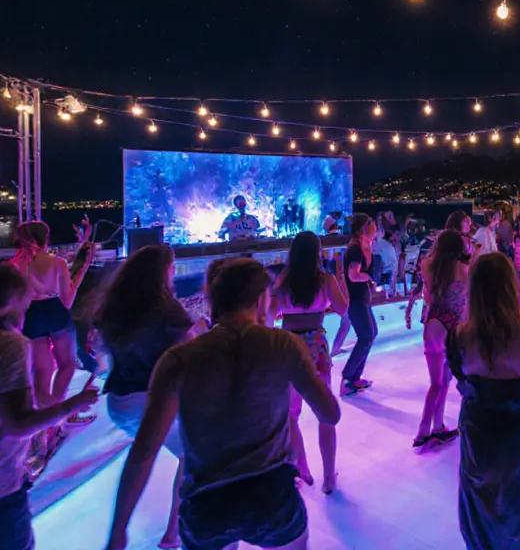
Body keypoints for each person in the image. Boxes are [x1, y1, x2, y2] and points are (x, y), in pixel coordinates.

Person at [105, 259, 341, 550]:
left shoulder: (177, 360)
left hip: (206, 504)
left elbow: (143, 453)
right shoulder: (283, 345)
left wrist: (119, 530)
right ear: (260, 299)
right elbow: (330, 413)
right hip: (271, 495)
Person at [0, 264, 98, 550]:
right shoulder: (8, 344)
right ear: (14, 300)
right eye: (26, 301)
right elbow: (19, 424)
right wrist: (73, 404)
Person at [447, 253, 520, 549]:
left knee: (479, 520)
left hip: (479, 441)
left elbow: (463, 383)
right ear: (511, 287)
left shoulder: (458, 338)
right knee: (519, 516)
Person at [94, 245, 201, 548]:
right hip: (154, 398)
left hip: (119, 401)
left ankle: (118, 531)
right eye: (171, 267)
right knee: (190, 455)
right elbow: (189, 354)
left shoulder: (112, 309)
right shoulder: (167, 309)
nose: (173, 273)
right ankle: (172, 533)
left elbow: (102, 357)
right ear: (163, 272)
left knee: (142, 455)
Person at [267, 232, 347, 493]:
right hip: (316, 348)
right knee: (325, 413)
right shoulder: (325, 280)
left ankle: (303, 468)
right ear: (317, 253)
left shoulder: (283, 283)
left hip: (289, 346)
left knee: (291, 413)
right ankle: (329, 478)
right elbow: (343, 308)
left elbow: (268, 319)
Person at [12, 218, 94, 464]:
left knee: (42, 372)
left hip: (30, 317)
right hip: (54, 313)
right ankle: (58, 417)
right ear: (45, 238)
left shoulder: (14, 265)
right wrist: (79, 273)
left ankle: (41, 432)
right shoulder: (56, 263)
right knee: (67, 364)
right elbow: (67, 300)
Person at [415, 229, 470, 450]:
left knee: (436, 383)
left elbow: (427, 297)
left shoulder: (427, 266)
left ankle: (428, 428)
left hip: (432, 324)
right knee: (446, 382)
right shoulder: (464, 268)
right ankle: (433, 428)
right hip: (453, 328)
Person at [340, 214, 379, 396]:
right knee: (366, 335)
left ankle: (354, 378)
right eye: (372, 224)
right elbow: (353, 275)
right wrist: (369, 278)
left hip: (362, 298)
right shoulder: (354, 248)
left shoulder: (364, 246)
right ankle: (348, 378)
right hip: (355, 299)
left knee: (371, 334)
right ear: (365, 227)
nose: (376, 229)